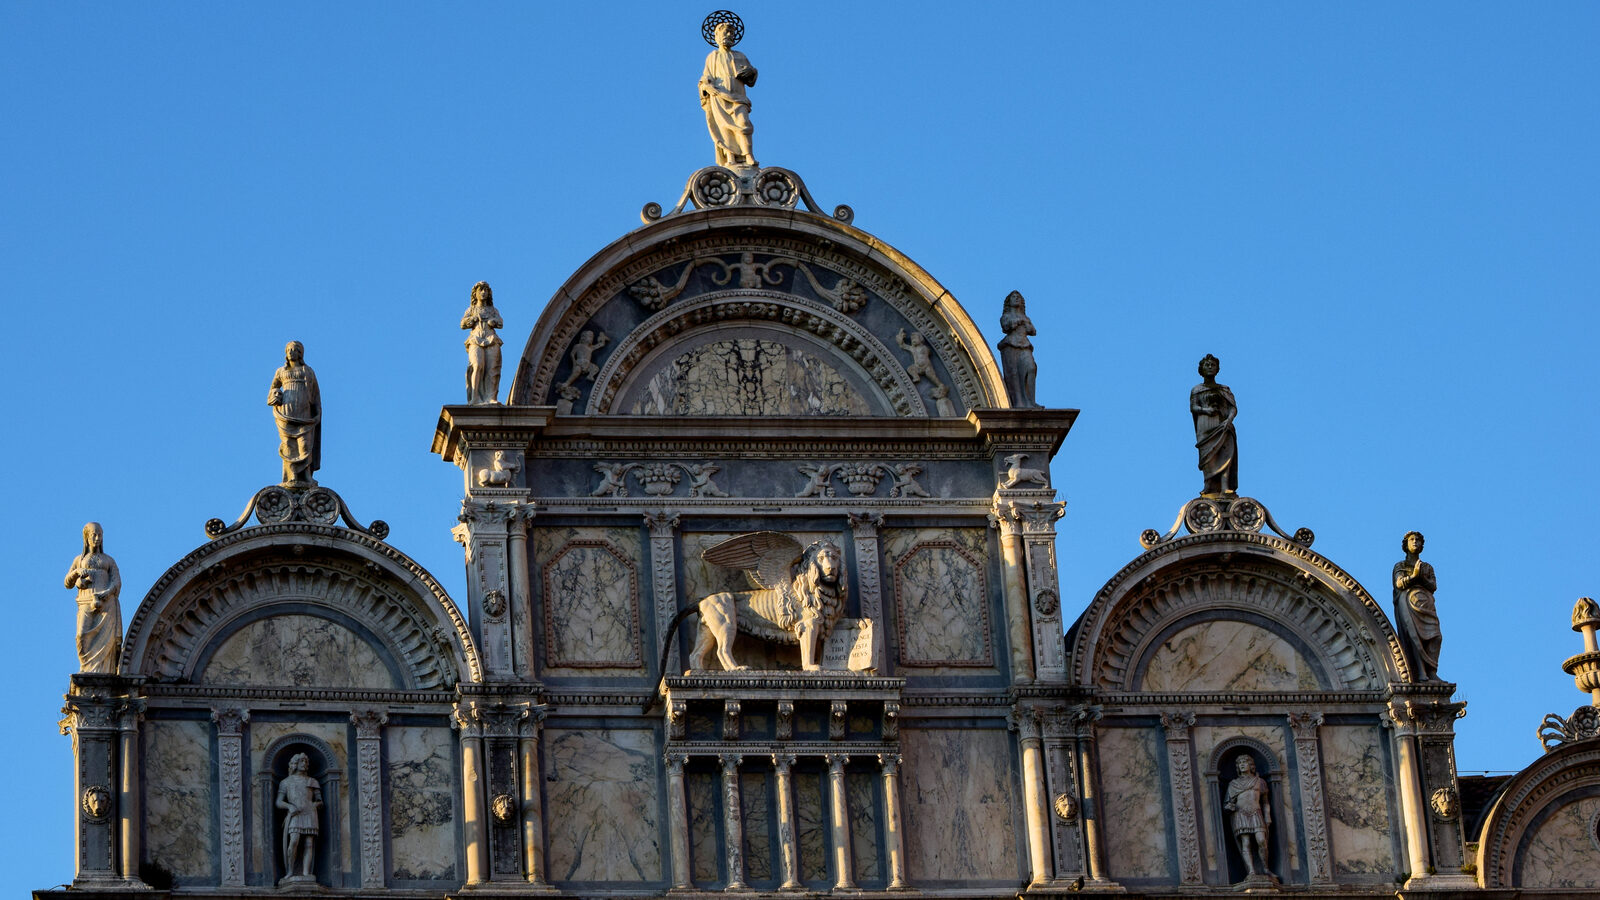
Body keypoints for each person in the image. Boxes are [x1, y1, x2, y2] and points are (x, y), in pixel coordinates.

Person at [63, 522, 121, 674]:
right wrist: (77, 574)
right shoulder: (79, 560)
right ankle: (87, 669)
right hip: (85, 602)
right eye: (94, 535)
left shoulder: (109, 560)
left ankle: (103, 671)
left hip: (106, 604)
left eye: (100, 535)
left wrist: (107, 593)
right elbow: (67, 582)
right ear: (87, 537)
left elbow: (116, 582)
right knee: (81, 636)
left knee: (107, 640)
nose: (97, 538)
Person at [699, 21, 758, 169]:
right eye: (726, 32)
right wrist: (707, 87)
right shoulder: (713, 56)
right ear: (717, 36)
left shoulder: (740, 56)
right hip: (720, 96)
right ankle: (730, 156)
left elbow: (751, 78)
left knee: (744, 124)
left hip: (738, 96)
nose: (729, 35)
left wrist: (751, 71)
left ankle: (748, 155)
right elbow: (705, 79)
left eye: (731, 33)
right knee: (724, 127)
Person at [268, 341, 321, 486]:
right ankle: (291, 476)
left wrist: (317, 413)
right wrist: (275, 395)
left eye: (294, 350)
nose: (291, 352)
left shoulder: (308, 371)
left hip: (304, 414)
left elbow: (315, 395)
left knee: (305, 445)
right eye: (289, 350)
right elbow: (272, 390)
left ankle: (306, 476)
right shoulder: (281, 371)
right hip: (286, 414)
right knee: (289, 445)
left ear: (300, 353)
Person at [1393, 530, 1442, 681]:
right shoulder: (1400, 565)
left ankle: (1432, 671)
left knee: (1436, 637)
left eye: (1418, 540)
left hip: (1426, 603)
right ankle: (1421, 673)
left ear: (1422, 545)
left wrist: (1421, 578)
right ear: (1406, 545)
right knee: (1414, 637)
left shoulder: (1427, 567)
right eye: (1412, 539)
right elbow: (1399, 583)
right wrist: (1414, 576)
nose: (1415, 542)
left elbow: (1433, 586)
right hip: (1408, 602)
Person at [1190, 354, 1238, 496]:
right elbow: (1193, 407)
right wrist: (1206, 410)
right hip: (1205, 425)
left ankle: (1225, 486)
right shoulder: (1197, 390)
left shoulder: (1224, 389)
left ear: (1217, 369)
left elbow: (1233, 408)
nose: (1210, 367)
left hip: (1223, 425)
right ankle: (1208, 485)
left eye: (1213, 365)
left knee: (1225, 453)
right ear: (1202, 369)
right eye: (1207, 365)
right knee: (1207, 455)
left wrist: (1229, 420)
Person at [1223, 755, 1272, 877]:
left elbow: (1265, 802)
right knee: (1246, 842)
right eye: (1240, 763)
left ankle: (1265, 868)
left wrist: (1267, 816)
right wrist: (1229, 806)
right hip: (1241, 814)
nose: (1242, 765)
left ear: (1251, 765)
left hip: (1256, 813)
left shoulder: (1260, 782)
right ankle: (1251, 870)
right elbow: (1228, 803)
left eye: (1245, 762)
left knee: (1261, 840)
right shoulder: (1233, 784)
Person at [277, 753, 322, 882]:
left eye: (306, 761)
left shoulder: (312, 781)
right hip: (295, 814)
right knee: (294, 841)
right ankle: (290, 871)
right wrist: (289, 806)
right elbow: (278, 802)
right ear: (295, 763)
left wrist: (314, 805)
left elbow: (320, 801)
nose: (305, 764)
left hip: (310, 813)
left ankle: (306, 872)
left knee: (309, 843)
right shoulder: (286, 782)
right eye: (302, 761)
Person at [461, 281, 503, 405]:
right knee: (477, 365)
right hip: (476, 338)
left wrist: (493, 322)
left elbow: (501, 323)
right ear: (475, 294)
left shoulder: (493, 310)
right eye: (481, 290)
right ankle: (475, 397)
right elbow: (462, 324)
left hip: (491, 338)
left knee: (493, 368)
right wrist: (472, 319)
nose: (484, 293)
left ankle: (491, 397)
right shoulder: (471, 309)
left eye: (486, 290)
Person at [997, 291, 1040, 408]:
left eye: (1018, 297)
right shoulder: (1006, 316)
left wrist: (1027, 324)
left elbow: (1033, 331)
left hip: (1025, 345)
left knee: (1031, 368)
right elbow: (1006, 326)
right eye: (1014, 297)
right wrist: (1017, 322)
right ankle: (1018, 402)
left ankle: (1030, 401)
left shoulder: (1026, 317)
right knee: (1014, 374)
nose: (1016, 298)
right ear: (1009, 302)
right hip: (1010, 345)